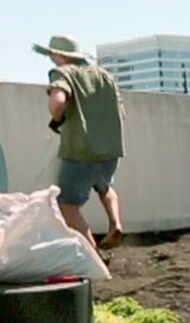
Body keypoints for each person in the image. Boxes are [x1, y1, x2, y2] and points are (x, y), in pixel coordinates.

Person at [32, 34, 126, 253]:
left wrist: (56, 119)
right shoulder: (104, 75)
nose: (51, 58)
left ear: (61, 55)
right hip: (111, 149)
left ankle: (92, 252)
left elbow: (58, 103)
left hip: (80, 149)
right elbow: (121, 112)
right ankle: (116, 223)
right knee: (105, 187)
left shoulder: (62, 73)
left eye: (52, 54)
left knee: (66, 204)